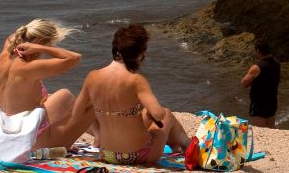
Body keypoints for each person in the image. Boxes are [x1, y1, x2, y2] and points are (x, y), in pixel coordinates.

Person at [43, 23, 192, 164]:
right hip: (139, 155)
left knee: (134, 117)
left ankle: (178, 147)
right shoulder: (136, 80)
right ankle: (187, 146)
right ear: (138, 54)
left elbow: (76, 113)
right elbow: (158, 114)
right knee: (166, 115)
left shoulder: (92, 77)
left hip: (107, 154)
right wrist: (150, 114)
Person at [0, 19, 82, 133]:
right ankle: (100, 139)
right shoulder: (28, 68)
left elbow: (14, 36)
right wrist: (41, 48)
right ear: (40, 42)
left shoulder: (5, 56)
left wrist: (29, 41)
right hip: (23, 132)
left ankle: (97, 135)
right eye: (51, 45)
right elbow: (75, 58)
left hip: (4, 124)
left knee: (57, 103)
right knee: (65, 96)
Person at [240, 40, 280, 129]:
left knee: (259, 130)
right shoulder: (277, 64)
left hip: (259, 103)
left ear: (258, 51)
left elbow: (244, 83)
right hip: (272, 100)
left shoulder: (257, 67)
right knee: (271, 128)